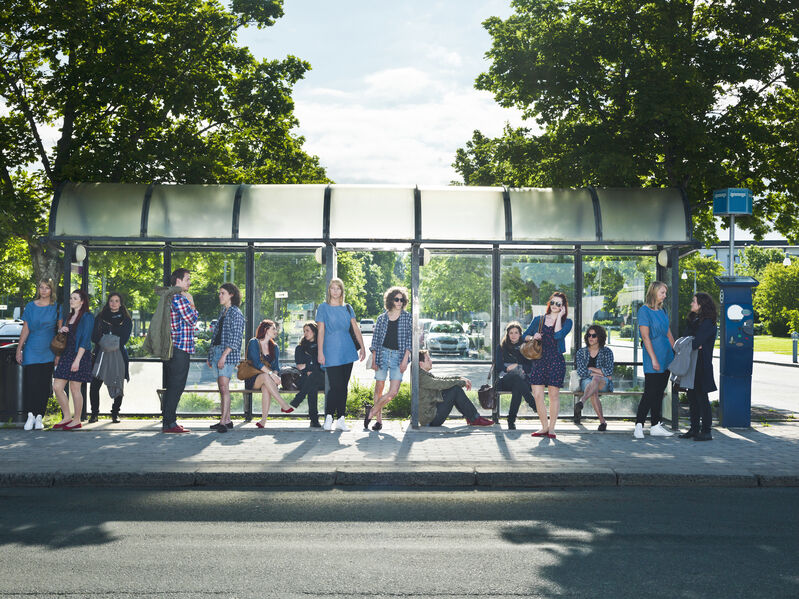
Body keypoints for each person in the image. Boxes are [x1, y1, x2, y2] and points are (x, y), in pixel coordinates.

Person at [144, 268, 198, 434]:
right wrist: (191, 302)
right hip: (179, 349)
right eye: (187, 279)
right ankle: (170, 423)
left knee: (173, 386)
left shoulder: (171, 296)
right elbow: (192, 319)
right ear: (178, 281)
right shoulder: (179, 298)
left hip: (174, 349)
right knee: (176, 387)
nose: (189, 282)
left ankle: (168, 422)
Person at [316, 277, 365, 431]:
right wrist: (320, 352)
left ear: (342, 291)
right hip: (331, 350)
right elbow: (321, 331)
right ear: (329, 290)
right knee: (335, 386)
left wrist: (363, 347)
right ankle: (329, 417)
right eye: (333, 288)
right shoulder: (323, 307)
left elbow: (355, 328)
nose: (335, 291)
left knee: (343, 386)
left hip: (347, 350)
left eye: (338, 288)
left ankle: (341, 419)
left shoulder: (348, 308)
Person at [523, 292, 573, 439]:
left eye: (558, 304)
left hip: (556, 360)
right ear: (549, 303)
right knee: (537, 395)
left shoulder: (567, 322)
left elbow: (557, 335)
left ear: (563, 307)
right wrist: (533, 337)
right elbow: (524, 336)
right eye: (553, 302)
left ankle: (551, 428)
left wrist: (559, 317)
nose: (555, 305)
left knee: (553, 395)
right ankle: (544, 426)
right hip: (539, 360)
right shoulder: (539, 320)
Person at [363, 286, 412, 432]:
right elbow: (375, 340)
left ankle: (371, 411)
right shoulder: (382, 318)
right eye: (396, 299)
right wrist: (374, 359)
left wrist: (405, 359)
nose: (399, 302)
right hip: (382, 354)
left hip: (399, 356)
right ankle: (378, 421)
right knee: (379, 387)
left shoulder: (408, 317)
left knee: (393, 392)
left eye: (402, 300)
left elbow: (410, 340)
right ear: (391, 300)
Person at [16, 279, 61, 431]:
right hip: (31, 349)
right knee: (31, 384)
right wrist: (19, 349)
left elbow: (60, 333)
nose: (43, 290)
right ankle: (30, 416)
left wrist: (58, 355)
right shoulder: (30, 306)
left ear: (51, 290)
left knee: (43, 385)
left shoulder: (57, 307)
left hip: (49, 350)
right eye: (41, 287)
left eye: (47, 288)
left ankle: (40, 417)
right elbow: (25, 329)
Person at [633, 281, 675, 439]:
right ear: (654, 292)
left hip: (666, 355)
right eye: (662, 292)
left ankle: (656, 425)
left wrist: (676, 351)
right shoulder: (644, 311)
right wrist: (654, 359)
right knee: (650, 392)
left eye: (665, 293)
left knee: (659, 392)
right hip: (653, 355)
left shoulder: (663, 310)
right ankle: (639, 425)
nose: (665, 295)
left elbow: (668, 332)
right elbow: (645, 337)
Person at [52, 290, 95, 430]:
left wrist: (77, 360)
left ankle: (77, 420)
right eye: (71, 298)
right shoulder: (69, 316)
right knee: (57, 387)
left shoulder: (88, 317)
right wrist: (62, 331)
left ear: (82, 302)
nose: (71, 300)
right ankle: (66, 417)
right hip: (66, 354)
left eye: (75, 298)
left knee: (75, 388)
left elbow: (85, 340)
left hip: (80, 355)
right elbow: (66, 338)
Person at [678, 292, 718, 441]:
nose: (691, 304)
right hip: (692, 364)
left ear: (701, 304)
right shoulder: (694, 320)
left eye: (693, 301)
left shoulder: (708, 322)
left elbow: (695, 343)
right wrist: (692, 341)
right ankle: (694, 429)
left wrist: (693, 341)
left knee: (702, 398)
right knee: (692, 398)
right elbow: (685, 339)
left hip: (701, 365)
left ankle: (706, 431)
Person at [418, 350, 493, 427]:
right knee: (455, 390)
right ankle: (474, 419)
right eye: (428, 360)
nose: (431, 361)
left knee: (454, 389)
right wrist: (462, 382)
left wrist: (459, 378)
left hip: (432, 414)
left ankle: (472, 417)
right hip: (431, 419)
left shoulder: (422, 374)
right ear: (421, 364)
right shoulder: (422, 377)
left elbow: (440, 379)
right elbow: (440, 383)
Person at [88, 293, 132, 423]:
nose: (114, 303)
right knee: (95, 385)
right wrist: (105, 342)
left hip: (118, 355)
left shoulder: (126, 319)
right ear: (108, 302)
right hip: (101, 354)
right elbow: (94, 336)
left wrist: (108, 341)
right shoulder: (100, 317)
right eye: (111, 300)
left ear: (120, 303)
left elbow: (124, 339)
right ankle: (94, 414)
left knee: (118, 385)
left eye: (116, 301)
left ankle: (115, 413)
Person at [207, 283, 245, 433]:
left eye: (223, 293)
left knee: (224, 387)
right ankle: (227, 420)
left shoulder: (236, 313)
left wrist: (223, 356)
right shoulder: (223, 312)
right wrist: (211, 355)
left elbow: (236, 337)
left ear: (231, 295)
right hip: (217, 352)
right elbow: (216, 336)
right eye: (219, 293)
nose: (220, 296)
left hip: (227, 355)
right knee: (222, 388)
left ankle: (223, 422)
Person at [247, 319, 294, 428]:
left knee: (266, 387)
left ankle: (263, 420)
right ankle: (283, 404)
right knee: (265, 376)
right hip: (253, 378)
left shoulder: (275, 347)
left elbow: (276, 367)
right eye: (273, 329)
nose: (276, 331)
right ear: (265, 329)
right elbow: (257, 363)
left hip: (268, 380)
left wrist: (275, 376)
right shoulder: (254, 342)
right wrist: (272, 375)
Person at [494, 321, 535, 430]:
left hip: (522, 379)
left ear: (520, 334)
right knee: (517, 380)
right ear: (507, 334)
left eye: (516, 332)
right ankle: (532, 403)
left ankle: (511, 421)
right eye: (511, 333)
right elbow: (498, 367)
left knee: (518, 385)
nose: (513, 335)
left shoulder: (526, 347)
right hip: (505, 379)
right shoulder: (501, 347)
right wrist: (507, 368)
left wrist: (518, 366)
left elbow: (530, 366)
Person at [573, 324, 614, 431]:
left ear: (600, 337)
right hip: (586, 382)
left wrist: (591, 369)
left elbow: (609, 371)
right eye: (589, 335)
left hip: (603, 383)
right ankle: (602, 422)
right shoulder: (581, 352)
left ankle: (582, 401)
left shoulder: (607, 352)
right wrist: (600, 373)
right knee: (594, 388)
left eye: (594, 335)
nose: (590, 338)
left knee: (595, 380)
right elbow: (581, 372)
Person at [289, 322, 324, 427]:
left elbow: (323, 364)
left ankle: (299, 399)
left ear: (314, 331)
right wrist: (313, 366)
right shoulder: (300, 348)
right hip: (305, 379)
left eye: (307, 331)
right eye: (304, 331)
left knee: (314, 377)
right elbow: (300, 367)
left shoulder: (321, 346)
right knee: (312, 384)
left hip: (321, 379)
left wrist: (308, 366)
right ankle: (314, 420)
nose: (305, 333)